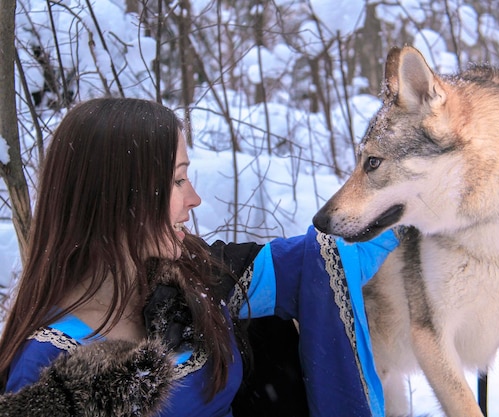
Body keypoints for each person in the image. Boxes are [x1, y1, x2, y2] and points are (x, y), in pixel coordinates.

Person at [0, 98, 401, 417]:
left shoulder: (187, 277)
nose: (194, 197)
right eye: (177, 180)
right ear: (122, 198)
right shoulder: (46, 371)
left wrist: (408, 210)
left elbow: (311, 261)